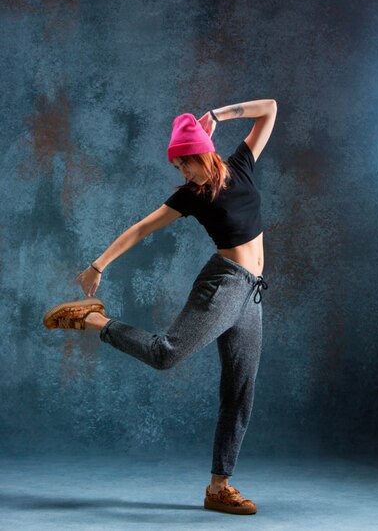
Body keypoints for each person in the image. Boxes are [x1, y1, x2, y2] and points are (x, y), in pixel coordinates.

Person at [43, 99, 277, 515]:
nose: (182, 172)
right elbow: (142, 228)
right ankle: (94, 319)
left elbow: (270, 109)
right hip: (223, 285)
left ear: (201, 152)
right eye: (178, 167)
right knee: (165, 354)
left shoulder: (241, 163)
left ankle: (218, 488)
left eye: (184, 163)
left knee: (240, 391)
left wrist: (219, 116)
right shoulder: (193, 196)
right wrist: (98, 264)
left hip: (252, 292)